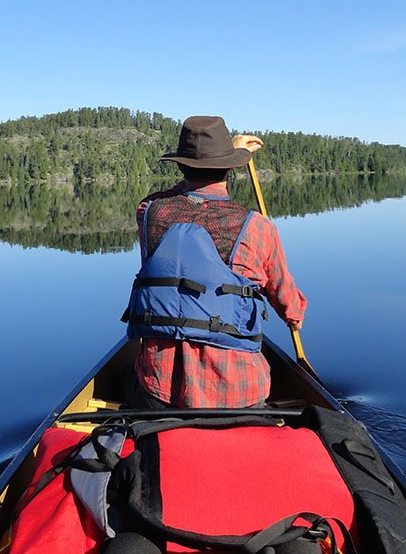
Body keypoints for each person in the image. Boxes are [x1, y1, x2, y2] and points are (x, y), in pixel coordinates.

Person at [122, 115, 306, 409]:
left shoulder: (149, 214)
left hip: (160, 393)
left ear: (180, 166)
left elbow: (166, 198)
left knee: (125, 376)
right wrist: (294, 317)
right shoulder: (259, 228)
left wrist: (220, 158)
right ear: (230, 168)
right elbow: (288, 305)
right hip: (240, 394)